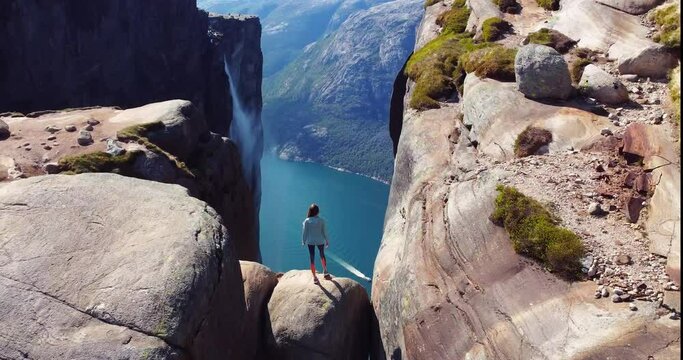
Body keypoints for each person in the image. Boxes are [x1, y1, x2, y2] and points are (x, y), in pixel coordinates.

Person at [301, 203, 330, 284]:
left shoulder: (307, 221)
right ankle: (325, 271)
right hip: (320, 240)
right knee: (322, 255)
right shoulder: (321, 220)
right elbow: (324, 232)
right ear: (318, 212)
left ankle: (315, 278)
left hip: (310, 242)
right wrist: (327, 240)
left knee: (312, 258)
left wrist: (303, 241)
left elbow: (304, 232)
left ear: (310, 211)